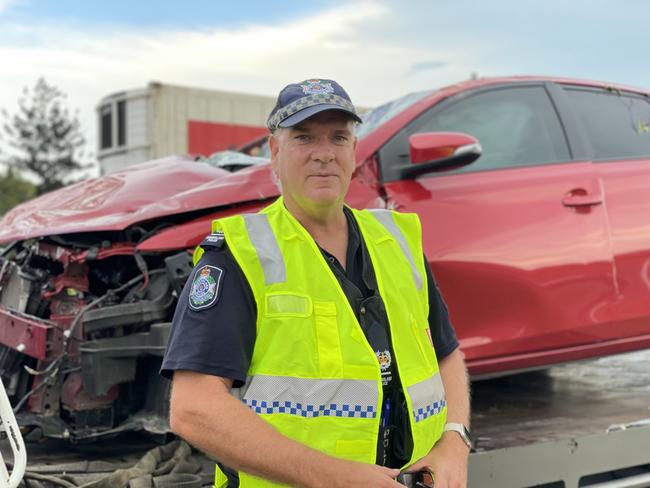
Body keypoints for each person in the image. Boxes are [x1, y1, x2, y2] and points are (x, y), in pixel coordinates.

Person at [161, 78, 471, 488]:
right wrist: (336, 477)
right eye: (304, 138)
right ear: (275, 152)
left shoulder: (396, 240)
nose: (324, 154)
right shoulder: (240, 254)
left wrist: (455, 441)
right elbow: (194, 408)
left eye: (338, 137)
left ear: (353, 151)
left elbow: (446, 355)